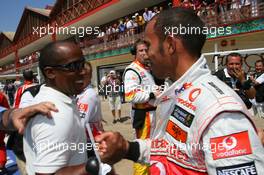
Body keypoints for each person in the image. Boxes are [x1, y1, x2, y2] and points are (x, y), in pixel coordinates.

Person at [96, 8, 264, 174]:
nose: (146, 55)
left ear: (170, 45)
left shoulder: (221, 114)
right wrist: (127, 148)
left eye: (148, 46)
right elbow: (171, 150)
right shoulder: (179, 90)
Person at [23, 41, 99, 175]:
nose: (83, 71)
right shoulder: (54, 115)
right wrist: (96, 166)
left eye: (82, 63)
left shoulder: (63, 97)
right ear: (50, 72)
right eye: (74, 66)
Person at [123, 39, 159, 175]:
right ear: (135, 53)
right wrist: (151, 94)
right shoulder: (132, 70)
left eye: (146, 50)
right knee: (142, 151)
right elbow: (129, 95)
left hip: (153, 114)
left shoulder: (147, 68)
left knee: (151, 149)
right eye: (141, 50)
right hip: (143, 116)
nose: (144, 53)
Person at [8, 69, 37, 175]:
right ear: (33, 77)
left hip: (24, 122)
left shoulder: (21, 89)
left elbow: (16, 106)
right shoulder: (40, 87)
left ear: (24, 78)